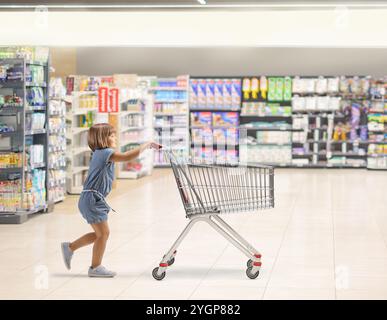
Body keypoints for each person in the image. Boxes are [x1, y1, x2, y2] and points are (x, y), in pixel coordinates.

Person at [61, 123, 160, 278]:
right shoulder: (105, 152)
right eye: (111, 135)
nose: (115, 137)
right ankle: (95, 267)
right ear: (101, 138)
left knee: (100, 234)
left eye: (114, 135)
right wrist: (147, 144)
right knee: (104, 234)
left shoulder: (101, 153)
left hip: (91, 198)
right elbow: (127, 157)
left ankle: (70, 247)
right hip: (91, 199)